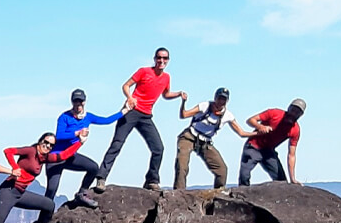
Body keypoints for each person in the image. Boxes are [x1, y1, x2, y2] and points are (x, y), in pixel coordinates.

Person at [94, 47, 185, 192]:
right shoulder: (144, 71)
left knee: (158, 148)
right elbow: (126, 85)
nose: (161, 61)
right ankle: (101, 178)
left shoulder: (166, 77)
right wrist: (130, 98)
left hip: (146, 116)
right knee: (117, 144)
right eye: (159, 58)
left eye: (165, 58)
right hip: (131, 112)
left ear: (168, 60)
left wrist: (179, 94)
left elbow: (165, 94)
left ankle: (151, 180)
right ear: (154, 59)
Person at [52, 89, 127, 207]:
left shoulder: (88, 117)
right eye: (76, 101)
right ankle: (43, 221)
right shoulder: (64, 117)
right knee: (51, 191)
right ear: (72, 102)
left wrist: (124, 111)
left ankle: (82, 193)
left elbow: (106, 120)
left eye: (80, 101)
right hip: (56, 158)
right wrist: (77, 133)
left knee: (93, 168)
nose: (78, 104)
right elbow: (59, 136)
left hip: (70, 156)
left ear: (84, 102)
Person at [174, 87, 255, 190]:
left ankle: (218, 194)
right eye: (220, 98)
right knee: (182, 165)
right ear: (215, 98)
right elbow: (184, 115)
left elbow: (241, 133)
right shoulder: (204, 106)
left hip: (205, 143)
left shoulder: (227, 116)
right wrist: (183, 102)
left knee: (222, 170)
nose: (221, 102)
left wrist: (257, 133)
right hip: (189, 137)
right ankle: (179, 193)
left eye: (224, 99)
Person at [238, 98, 306, 186]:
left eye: (297, 112)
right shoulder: (274, 113)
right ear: (289, 108)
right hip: (253, 147)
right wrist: (260, 127)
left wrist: (292, 178)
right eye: (293, 110)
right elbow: (250, 120)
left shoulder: (295, 130)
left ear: (300, 115)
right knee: (244, 176)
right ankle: (242, 196)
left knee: (282, 181)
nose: (294, 114)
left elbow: (291, 154)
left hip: (268, 152)